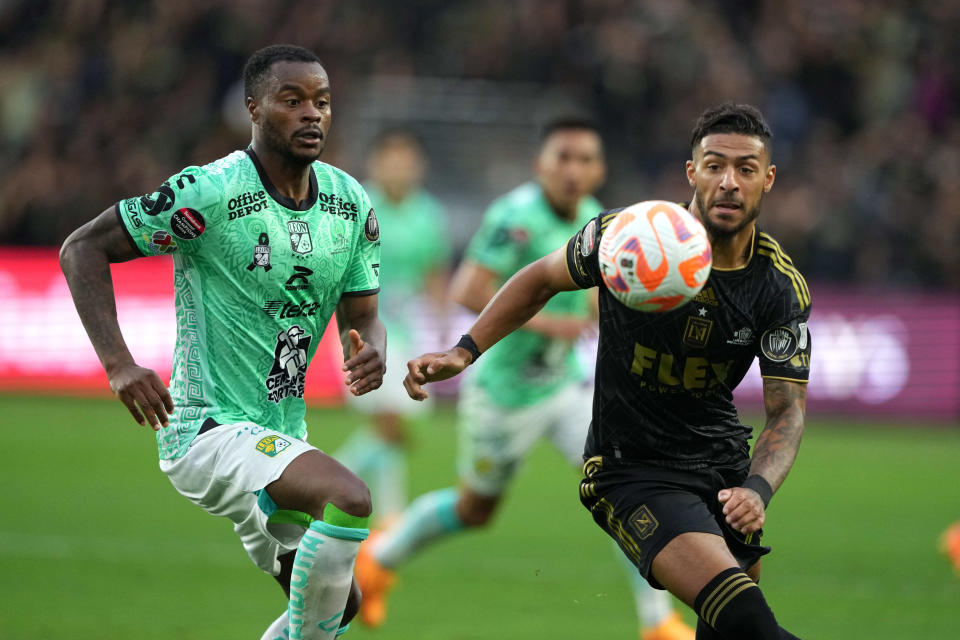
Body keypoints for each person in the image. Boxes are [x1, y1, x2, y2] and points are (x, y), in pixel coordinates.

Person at [402, 103, 810, 639]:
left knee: (728, 631)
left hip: (721, 468)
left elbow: (787, 411)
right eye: (714, 165)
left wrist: (757, 489)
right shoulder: (628, 235)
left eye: (745, 169)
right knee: (751, 623)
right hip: (632, 470)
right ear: (692, 172)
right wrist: (464, 350)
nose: (728, 182)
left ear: (768, 179)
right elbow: (539, 278)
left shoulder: (779, 286)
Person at [59, 44, 385, 640]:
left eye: (323, 102)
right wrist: (118, 364)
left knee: (336, 604)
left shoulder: (350, 202)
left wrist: (370, 345)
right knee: (349, 497)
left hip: (278, 433)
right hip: (206, 428)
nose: (312, 114)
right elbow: (83, 248)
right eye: (293, 101)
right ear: (254, 109)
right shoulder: (207, 192)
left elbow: (363, 310)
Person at [356, 118, 694, 639]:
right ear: (541, 164)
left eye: (585, 159)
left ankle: (658, 622)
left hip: (564, 388)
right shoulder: (514, 217)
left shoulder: (599, 222)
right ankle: (378, 560)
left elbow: (602, 298)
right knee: (475, 509)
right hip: (502, 394)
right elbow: (470, 291)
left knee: (626, 490)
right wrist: (549, 322)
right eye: (564, 157)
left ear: (599, 169)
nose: (574, 170)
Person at [336, 129, 450, 526]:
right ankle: (382, 508)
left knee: (391, 424)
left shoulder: (428, 214)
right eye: (391, 160)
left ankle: (339, 484)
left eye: (407, 161)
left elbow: (434, 272)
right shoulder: (357, 205)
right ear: (376, 164)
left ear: (419, 166)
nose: (399, 169)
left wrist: (441, 324)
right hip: (360, 331)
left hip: (405, 333)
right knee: (390, 422)